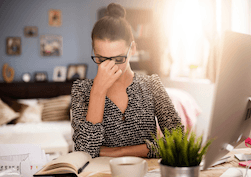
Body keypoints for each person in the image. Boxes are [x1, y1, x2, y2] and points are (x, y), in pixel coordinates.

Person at [71, 3, 183, 158]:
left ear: (133, 49)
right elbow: (84, 152)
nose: (110, 65)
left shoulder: (151, 85)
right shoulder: (82, 89)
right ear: (94, 52)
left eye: (118, 58)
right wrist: (98, 91)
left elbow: (178, 140)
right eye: (101, 58)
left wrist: (118, 152)